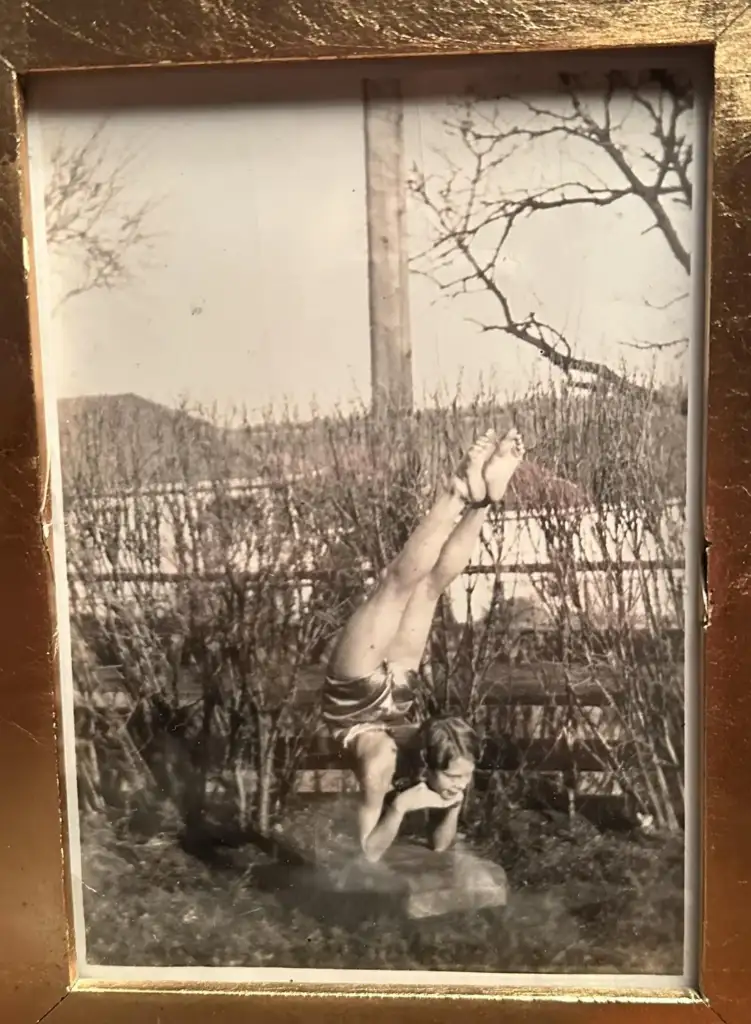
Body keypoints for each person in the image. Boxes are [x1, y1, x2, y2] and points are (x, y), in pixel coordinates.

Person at [321, 426, 525, 862]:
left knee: (415, 586)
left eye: (461, 780)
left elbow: (438, 844)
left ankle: (481, 499)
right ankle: (465, 497)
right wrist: (399, 805)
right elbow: (366, 858)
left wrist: (446, 800)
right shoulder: (397, 764)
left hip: (373, 698)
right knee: (410, 586)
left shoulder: (449, 766)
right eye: (454, 780)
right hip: (370, 695)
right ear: (429, 764)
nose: (458, 786)